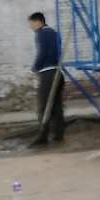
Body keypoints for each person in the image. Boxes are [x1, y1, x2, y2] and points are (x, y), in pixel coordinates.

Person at [28, 12, 64, 145]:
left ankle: (42, 136)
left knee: (44, 105)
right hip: (58, 73)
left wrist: (35, 67)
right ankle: (58, 134)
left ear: (38, 22)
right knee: (56, 105)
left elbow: (42, 52)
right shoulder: (54, 32)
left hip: (47, 73)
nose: (31, 27)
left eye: (31, 23)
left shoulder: (41, 33)